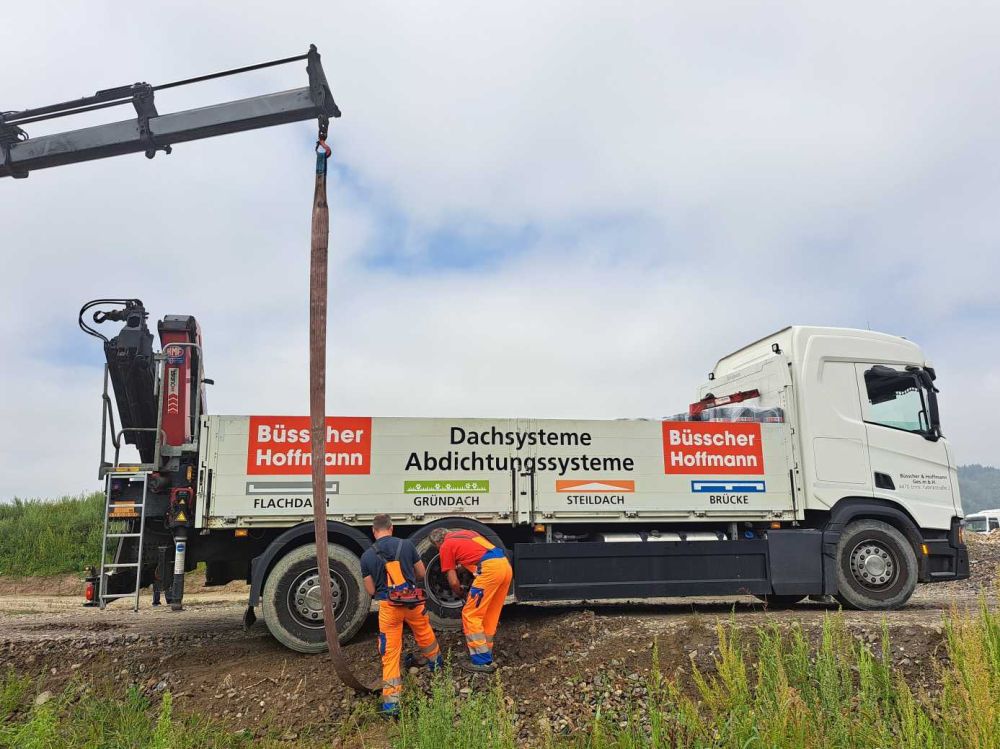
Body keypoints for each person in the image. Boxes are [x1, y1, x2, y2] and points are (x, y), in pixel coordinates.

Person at [361, 514, 442, 716]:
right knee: (424, 632)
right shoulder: (406, 545)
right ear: (392, 527)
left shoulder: (367, 556)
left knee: (390, 651)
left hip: (389, 607)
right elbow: (421, 573)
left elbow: (370, 590)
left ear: (373, 531)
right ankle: (438, 666)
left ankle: (392, 704)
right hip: (413, 601)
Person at [429, 528, 512, 673]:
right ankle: (486, 653)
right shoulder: (467, 533)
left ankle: (480, 662)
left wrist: (462, 594)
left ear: (437, 543)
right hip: (504, 566)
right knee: (489, 614)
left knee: (470, 614)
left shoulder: (445, 546)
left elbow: (453, 582)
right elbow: (475, 555)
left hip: (490, 570)